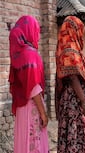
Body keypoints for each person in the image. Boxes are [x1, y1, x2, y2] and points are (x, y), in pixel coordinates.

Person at [55, 16, 85, 153]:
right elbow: (73, 77)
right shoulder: (70, 48)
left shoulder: (62, 47)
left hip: (71, 100)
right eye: (80, 30)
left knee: (72, 135)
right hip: (74, 101)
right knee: (77, 134)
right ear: (74, 30)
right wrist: (83, 102)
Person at [8, 15, 49, 153]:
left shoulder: (17, 55)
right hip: (32, 107)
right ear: (30, 30)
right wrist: (43, 113)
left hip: (21, 108)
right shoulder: (30, 54)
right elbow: (33, 88)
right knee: (33, 144)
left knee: (23, 143)